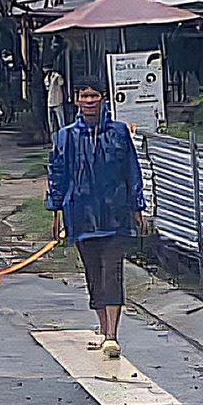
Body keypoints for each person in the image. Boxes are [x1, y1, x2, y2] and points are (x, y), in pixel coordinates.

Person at [45, 80, 145, 358]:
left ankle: (112, 334)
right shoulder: (65, 137)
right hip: (81, 216)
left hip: (116, 215)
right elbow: (57, 174)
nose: (89, 100)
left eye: (94, 95)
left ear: (103, 99)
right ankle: (102, 329)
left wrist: (138, 206)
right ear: (76, 100)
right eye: (84, 95)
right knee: (93, 274)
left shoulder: (119, 133)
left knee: (112, 270)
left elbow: (132, 170)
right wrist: (55, 210)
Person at [45, 68, 68, 135]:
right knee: (51, 124)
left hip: (57, 102)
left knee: (61, 122)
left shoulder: (57, 76)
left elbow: (62, 85)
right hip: (50, 102)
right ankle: (54, 140)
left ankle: (63, 138)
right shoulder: (47, 77)